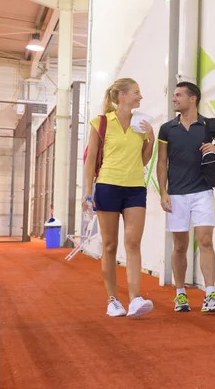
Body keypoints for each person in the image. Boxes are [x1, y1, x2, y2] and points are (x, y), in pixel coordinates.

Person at [156, 81, 215, 313]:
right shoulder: (167, 129)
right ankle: (180, 295)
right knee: (180, 246)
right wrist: (163, 191)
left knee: (206, 241)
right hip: (177, 194)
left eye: (178, 95)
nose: (174, 99)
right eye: (173, 95)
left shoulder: (209, 126)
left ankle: (210, 295)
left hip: (202, 192)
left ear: (193, 98)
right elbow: (161, 163)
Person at [83, 78, 155, 318]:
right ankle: (113, 300)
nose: (140, 96)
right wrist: (87, 193)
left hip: (135, 187)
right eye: (136, 92)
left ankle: (135, 299)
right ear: (122, 96)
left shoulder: (141, 124)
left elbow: (144, 161)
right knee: (110, 245)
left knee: (133, 242)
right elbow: (90, 160)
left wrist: (151, 138)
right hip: (107, 186)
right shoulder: (101, 122)